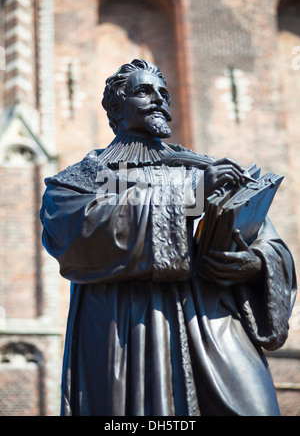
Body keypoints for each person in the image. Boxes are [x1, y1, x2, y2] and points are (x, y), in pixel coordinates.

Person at [40, 59, 297, 416]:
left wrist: (254, 263)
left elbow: (266, 239)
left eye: (163, 93)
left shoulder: (205, 168)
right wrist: (190, 196)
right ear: (116, 107)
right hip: (128, 324)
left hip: (212, 320)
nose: (159, 99)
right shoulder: (89, 177)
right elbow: (75, 230)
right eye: (144, 91)